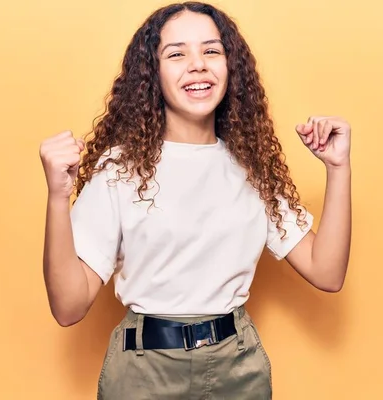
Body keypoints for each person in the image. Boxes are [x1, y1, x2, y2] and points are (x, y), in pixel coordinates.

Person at [39, 1, 352, 399]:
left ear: (230, 66)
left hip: (238, 369)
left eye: (211, 50)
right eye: (177, 53)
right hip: (143, 373)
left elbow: (327, 273)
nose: (198, 64)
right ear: (152, 73)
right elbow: (68, 307)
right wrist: (56, 197)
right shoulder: (121, 168)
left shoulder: (251, 166)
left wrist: (338, 169)